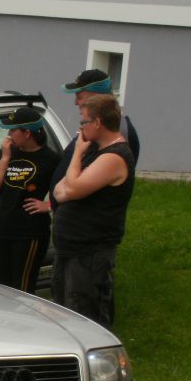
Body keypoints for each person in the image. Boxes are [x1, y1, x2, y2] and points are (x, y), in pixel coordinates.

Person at [51, 94, 135, 329]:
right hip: (70, 248)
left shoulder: (114, 157)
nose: (80, 129)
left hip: (90, 252)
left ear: (97, 123)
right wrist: (71, 186)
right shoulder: (96, 153)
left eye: (83, 122)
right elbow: (59, 190)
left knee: (85, 318)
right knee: (63, 313)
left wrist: (77, 153)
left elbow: (73, 188)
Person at [0, 107, 61, 294]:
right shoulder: (8, 153)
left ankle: (25, 322)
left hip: (29, 233)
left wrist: (48, 205)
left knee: (23, 290)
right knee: (2, 288)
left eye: (13, 130)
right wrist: (5, 158)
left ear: (27, 133)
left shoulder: (51, 159)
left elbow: (67, 191)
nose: (9, 135)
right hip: (3, 228)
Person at [49, 68, 139, 207]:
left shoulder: (118, 132)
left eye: (79, 97)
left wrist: (62, 195)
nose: (75, 102)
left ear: (96, 97)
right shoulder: (95, 128)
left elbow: (85, 183)